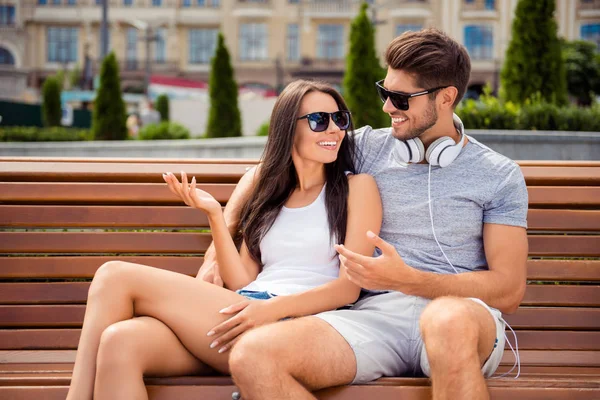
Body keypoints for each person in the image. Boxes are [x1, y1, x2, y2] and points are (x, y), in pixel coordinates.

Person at [199, 28, 529, 400]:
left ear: (447, 98)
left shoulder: (497, 174)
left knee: (445, 322)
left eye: (401, 98)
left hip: (460, 316)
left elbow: (509, 289)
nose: (388, 107)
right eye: (384, 92)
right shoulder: (370, 147)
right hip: (372, 318)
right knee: (253, 355)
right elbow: (266, 168)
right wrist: (223, 234)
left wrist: (410, 280)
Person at [65, 80, 382, 400]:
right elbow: (241, 280)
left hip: (290, 327)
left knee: (113, 276)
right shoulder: (271, 195)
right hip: (244, 312)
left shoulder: (357, 188)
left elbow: (348, 287)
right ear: (289, 128)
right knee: (120, 342)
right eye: (319, 120)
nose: (334, 130)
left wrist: (271, 310)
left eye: (339, 119)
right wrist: (216, 216)